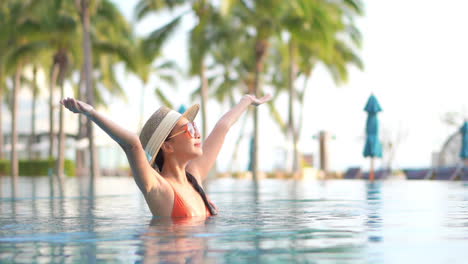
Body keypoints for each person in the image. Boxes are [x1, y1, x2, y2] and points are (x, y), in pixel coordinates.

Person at [60, 94, 271, 218]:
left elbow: (222, 126)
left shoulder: (194, 177)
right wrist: (90, 113)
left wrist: (246, 100)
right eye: (188, 129)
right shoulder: (159, 188)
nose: (197, 133)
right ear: (168, 146)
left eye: (194, 126)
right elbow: (132, 144)